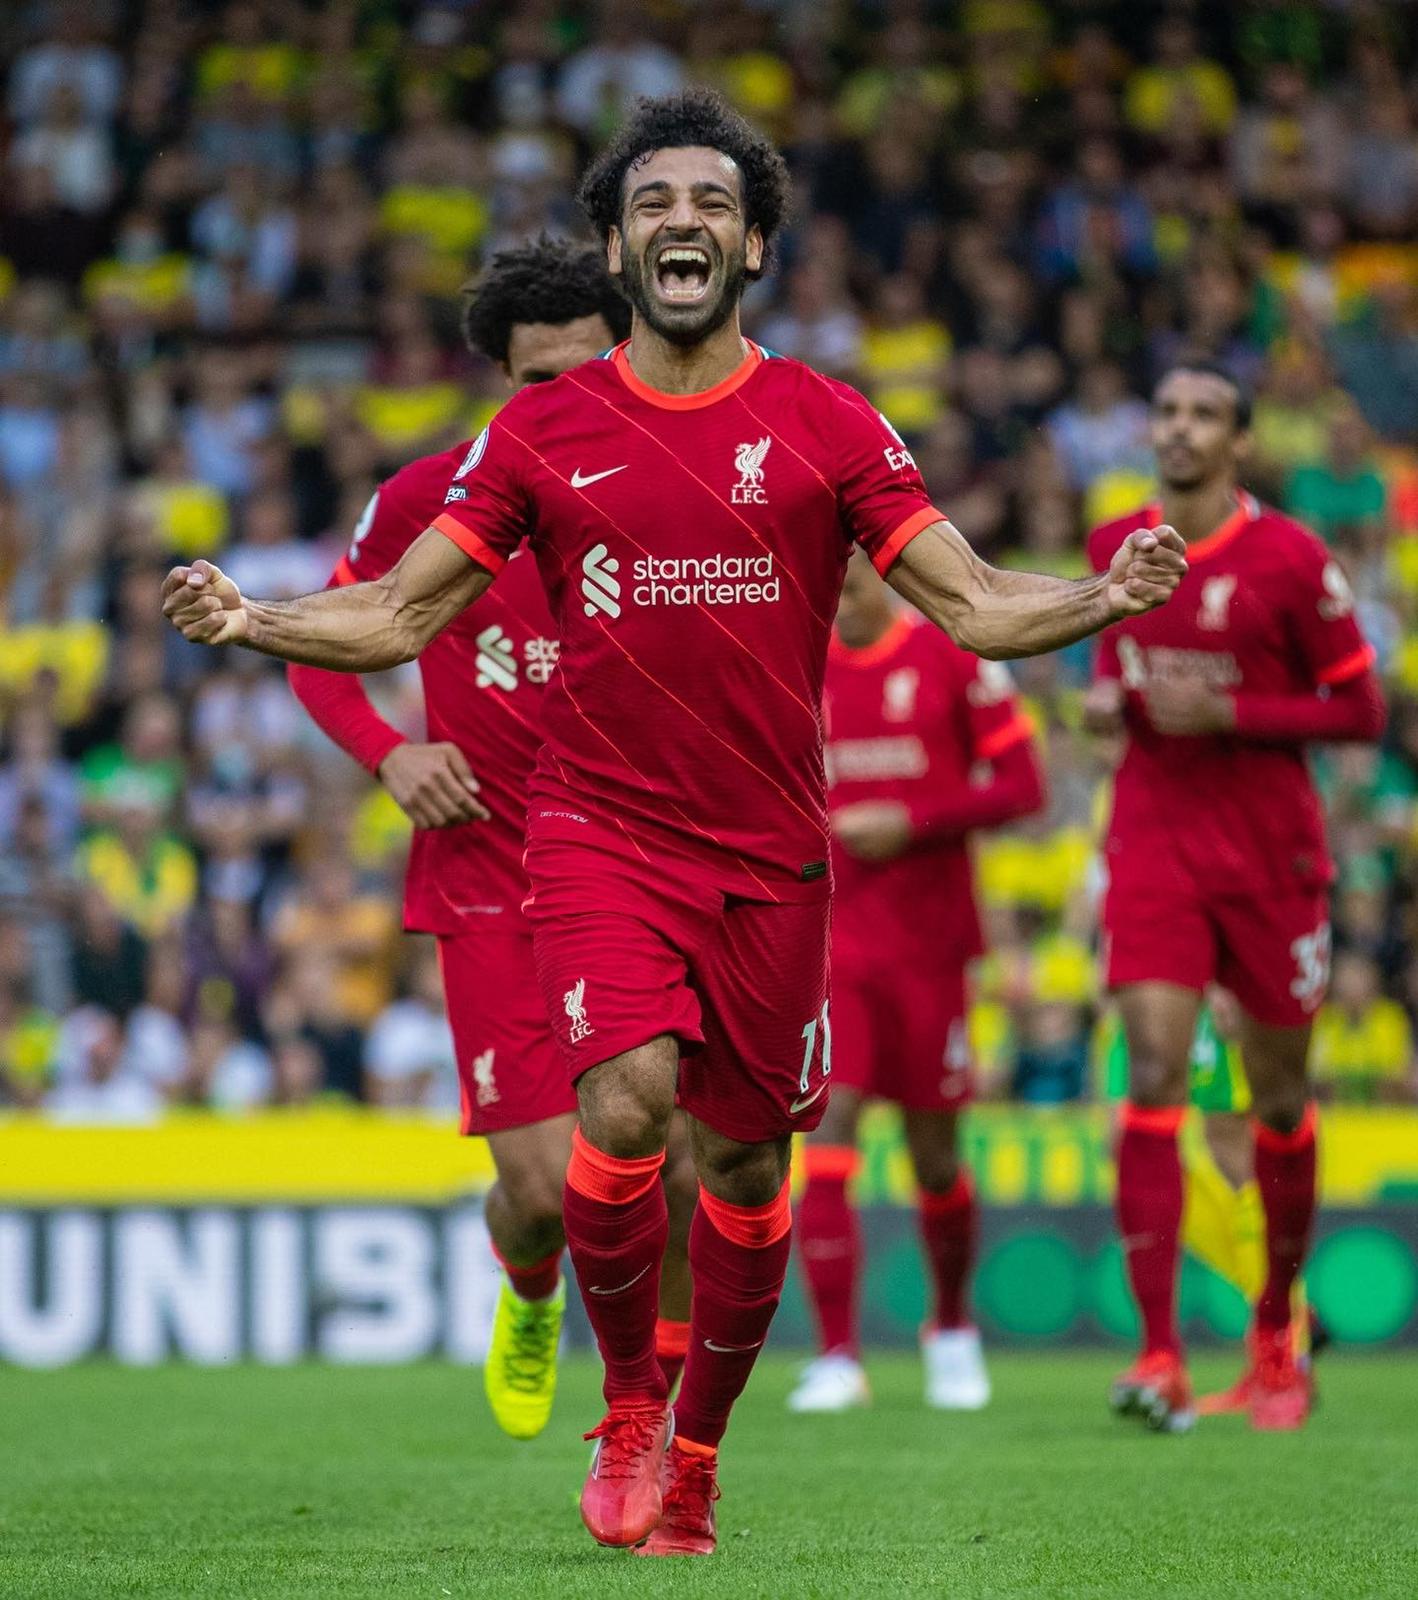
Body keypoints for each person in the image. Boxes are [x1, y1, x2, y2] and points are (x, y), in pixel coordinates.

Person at [163, 89, 1185, 1556]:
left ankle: (695, 1454)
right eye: (651, 203)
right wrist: (252, 616)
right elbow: (393, 612)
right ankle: (630, 1403)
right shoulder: (540, 431)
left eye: (711, 201)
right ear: (617, 247)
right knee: (625, 1107)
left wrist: (1100, 596)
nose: (681, 222)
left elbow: (969, 602)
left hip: (768, 852)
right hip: (595, 833)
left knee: (748, 1170)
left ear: (753, 243)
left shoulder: (827, 421)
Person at [287, 236, 697, 1443]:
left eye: (587, 371)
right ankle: (527, 1290)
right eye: (537, 381)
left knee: (675, 1165)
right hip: (490, 876)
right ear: (500, 381)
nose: (566, 399)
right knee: (541, 1194)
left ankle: (657, 1426)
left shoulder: (678, 483)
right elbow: (321, 641)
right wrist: (391, 753)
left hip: (642, 867)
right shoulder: (431, 499)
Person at [1084, 361, 1384, 1434]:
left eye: (1203, 414)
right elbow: (1115, 678)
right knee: (1154, 1072)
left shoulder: (1291, 560)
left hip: (1269, 861)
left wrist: (1231, 715)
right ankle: (1158, 1352)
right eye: (1165, 411)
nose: (1179, 429)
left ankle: (1274, 1332)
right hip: (1155, 845)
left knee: (1276, 1101)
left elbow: (1360, 713)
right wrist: (1107, 707)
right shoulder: (1114, 546)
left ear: (1240, 442)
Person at [790, 548, 1045, 1414]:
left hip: (932, 947)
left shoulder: (950, 658)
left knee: (935, 1158)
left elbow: (1024, 787)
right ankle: (837, 1355)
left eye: (852, 578)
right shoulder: (794, 663)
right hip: (828, 947)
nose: (839, 595)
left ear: (884, 577)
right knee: (829, 1130)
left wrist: (914, 819)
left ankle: (953, 1328)